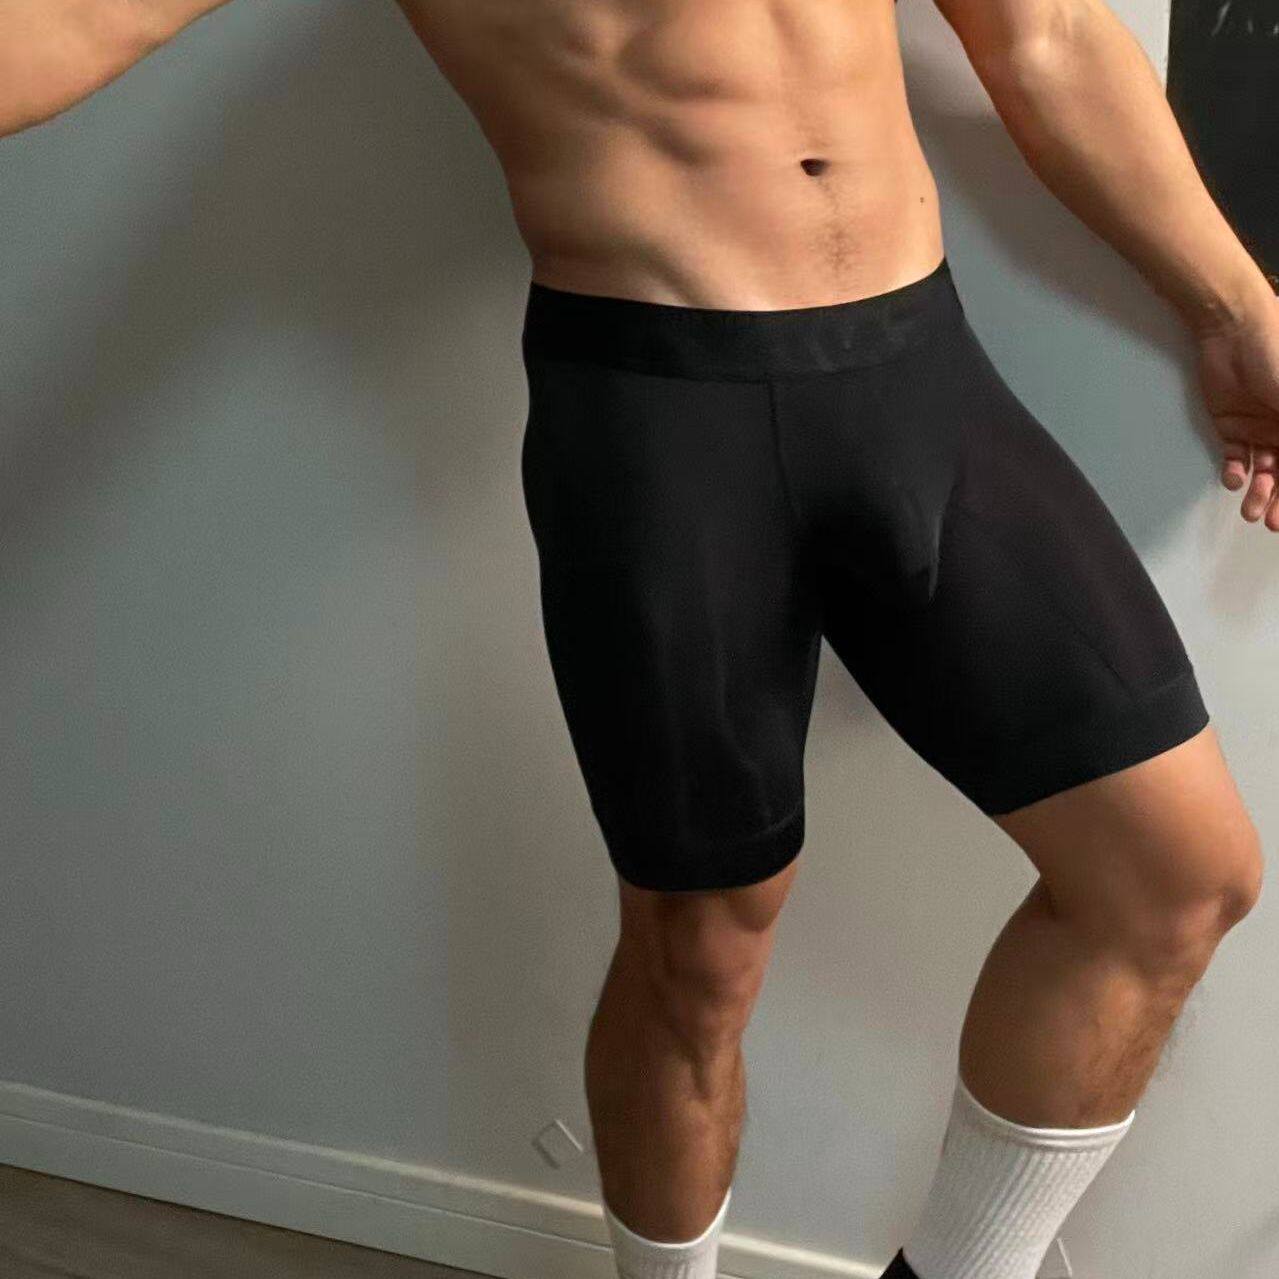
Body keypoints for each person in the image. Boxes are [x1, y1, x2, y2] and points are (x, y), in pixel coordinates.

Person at [5, 3, 1273, 1276]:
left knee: (1174, 878)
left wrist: (1233, 308)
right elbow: (68, 23)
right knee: (699, 952)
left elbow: (1046, 35)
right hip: (661, 419)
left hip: (920, 380)